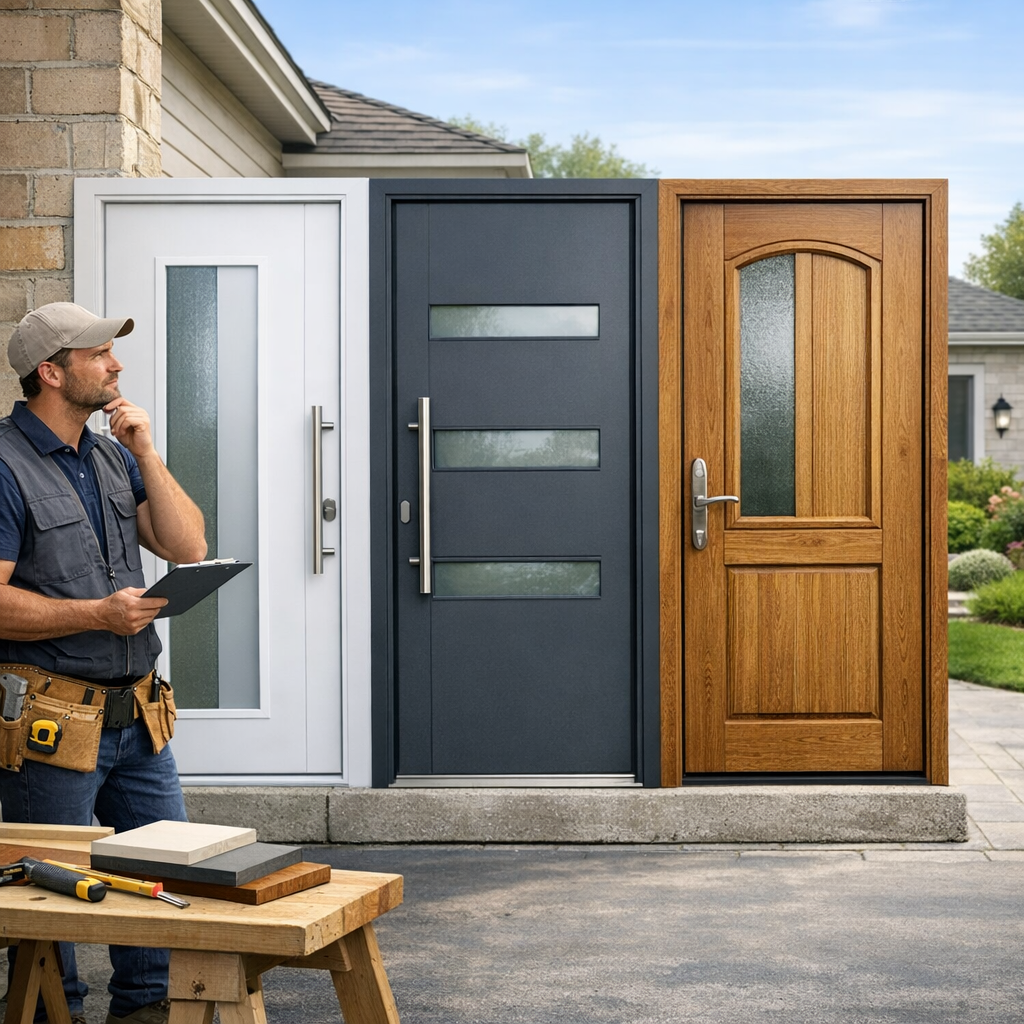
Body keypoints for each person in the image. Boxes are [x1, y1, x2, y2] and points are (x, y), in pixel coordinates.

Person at [0, 302, 207, 1024]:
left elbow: (187, 549)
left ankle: (147, 1011)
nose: (115, 364)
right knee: (51, 902)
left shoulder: (113, 454)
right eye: (99, 354)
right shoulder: (3, 465)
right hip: (51, 723)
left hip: (140, 718)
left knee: (166, 880)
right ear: (51, 372)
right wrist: (98, 614)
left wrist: (147, 448)